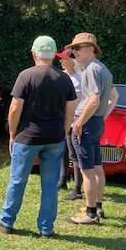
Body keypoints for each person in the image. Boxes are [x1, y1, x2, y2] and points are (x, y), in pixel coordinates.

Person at [0, 36, 76, 238]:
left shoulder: (26, 76)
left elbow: (14, 109)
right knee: (50, 185)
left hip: (27, 138)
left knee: (18, 180)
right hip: (54, 138)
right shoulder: (65, 79)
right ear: (55, 56)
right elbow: (71, 112)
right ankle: (46, 228)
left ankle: (6, 221)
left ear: (34, 54)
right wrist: (63, 133)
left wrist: (12, 134)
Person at [64, 33, 118, 224]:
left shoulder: (91, 70)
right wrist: (102, 116)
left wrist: (78, 123)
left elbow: (93, 100)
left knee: (87, 169)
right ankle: (97, 205)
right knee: (96, 166)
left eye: (78, 48)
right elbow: (114, 96)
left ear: (91, 49)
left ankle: (90, 213)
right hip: (95, 123)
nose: (74, 52)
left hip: (86, 123)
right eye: (73, 48)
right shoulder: (103, 69)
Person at [55, 49, 84, 200]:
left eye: (64, 59)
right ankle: (62, 180)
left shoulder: (80, 79)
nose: (61, 61)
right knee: (63, 151)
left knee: (74, 154)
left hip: (75, 122)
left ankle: (77, 189)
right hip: (64, 120)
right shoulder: (62, 76)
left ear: (72, 61)